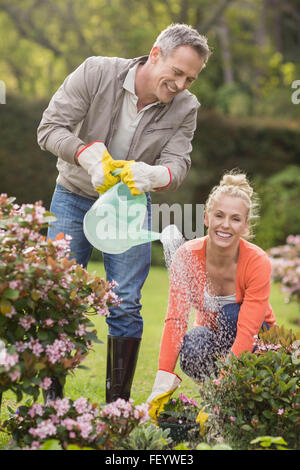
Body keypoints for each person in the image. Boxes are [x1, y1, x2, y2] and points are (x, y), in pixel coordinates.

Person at [37, 23, 211, 403]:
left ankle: (118, 406)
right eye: (177, 72)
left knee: (127, 301)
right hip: (73, 194)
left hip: (130, 207)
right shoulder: (96, 72)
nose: (181, 84)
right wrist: (86, 155)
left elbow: (178, 163)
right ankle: (52, 404)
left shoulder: (186, 106)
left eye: (190, 78)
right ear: (154, 54)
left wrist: (155, 174)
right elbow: (50, 128)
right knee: (59, 295)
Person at [147, 171, 277, 417]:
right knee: (195, 343)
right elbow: (176, 321)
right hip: (217, 340)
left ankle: (235, 396)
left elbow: (248, 331)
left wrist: (224, 384)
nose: (225, 224)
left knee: (230, 314)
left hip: (259, 344)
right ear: (206, 218)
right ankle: (214, 401)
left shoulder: (257, 261)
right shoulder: (187, 256)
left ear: (246, 226)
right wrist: (162, 379)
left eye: (235, 219)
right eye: (219, 215)